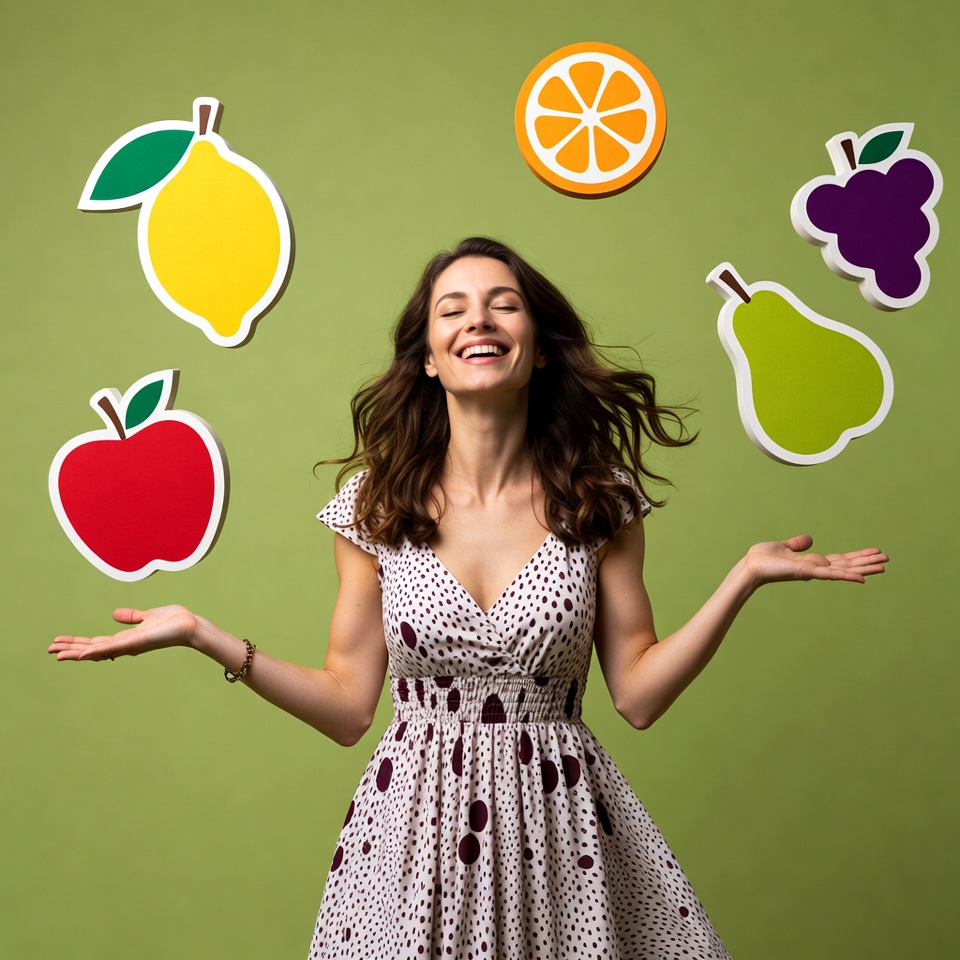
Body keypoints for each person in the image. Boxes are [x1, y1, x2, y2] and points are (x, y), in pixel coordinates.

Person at [49, 237, 887, 959]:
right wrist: (202, 633)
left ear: (540, 345)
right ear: (428, 354)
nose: (478, 320)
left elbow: (636, 694)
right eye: (453, 309)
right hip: (409, 840)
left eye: (503, 305)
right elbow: (348, 707)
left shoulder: (601, 502)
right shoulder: (374, 508)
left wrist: (742, 579)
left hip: (561, 837)